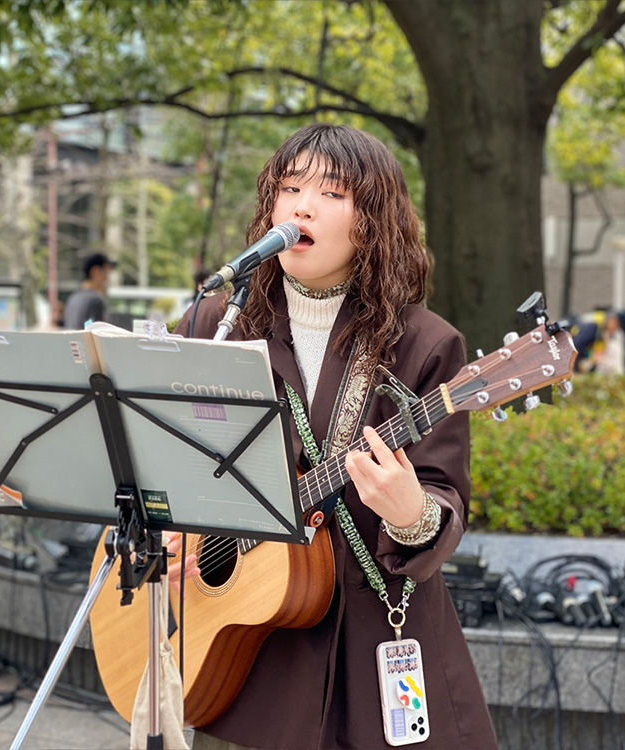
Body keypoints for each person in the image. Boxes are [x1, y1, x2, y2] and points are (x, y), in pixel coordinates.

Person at [169, 124, 497, 749]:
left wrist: (412, 514)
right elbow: (169, 450)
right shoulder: (221, 320)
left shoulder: (425, 343)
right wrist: (176, 528)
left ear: (372, 221)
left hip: (369, 627)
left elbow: (442, 497)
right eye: (289, 187)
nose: (301, 206)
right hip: (244, 637)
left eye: (332, 192)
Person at [63, 252, 116, 329]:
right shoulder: (95, 300)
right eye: (106, 272)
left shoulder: (73, 297)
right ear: (96, 271)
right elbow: (98, 335)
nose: (107, 279)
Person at [595, 311, 625, 375]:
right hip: (603, 370)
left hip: (615, 370)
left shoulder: (619, 335)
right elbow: (598, 351)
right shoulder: (603, 334)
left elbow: (618, 356)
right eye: (608, 322)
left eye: (612, 322)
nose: (609, 324)